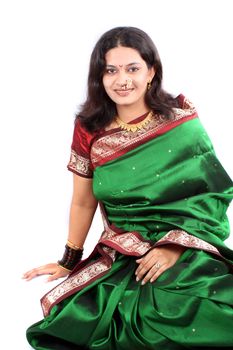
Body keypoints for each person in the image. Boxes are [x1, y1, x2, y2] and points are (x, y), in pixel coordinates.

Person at [23, 26, 233, 350]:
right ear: (99, 77)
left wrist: (174, 247)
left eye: (132, 68)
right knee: (94, 320)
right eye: (111, 70)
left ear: (151, 71)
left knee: (200, 307)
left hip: (184, 245)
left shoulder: (182, 122)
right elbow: (82, 201)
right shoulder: (89, 129)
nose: (122, 80)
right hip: (121, 252)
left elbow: (210, 194)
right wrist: (68, 260)